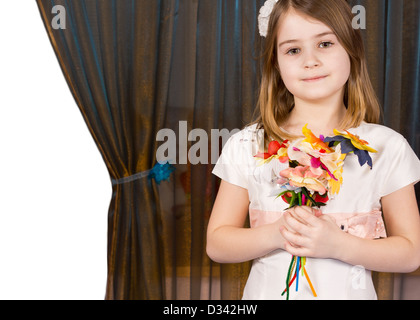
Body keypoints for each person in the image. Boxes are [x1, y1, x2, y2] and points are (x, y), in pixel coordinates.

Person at [207, 0, 420, 300]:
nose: (310, 61)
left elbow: (411, 252)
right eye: (293, 50)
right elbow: (217, 244)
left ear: (351, 48)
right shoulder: (247, 145)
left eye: (325, 43)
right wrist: (280, 232)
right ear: (276, 63)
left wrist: (338, 245)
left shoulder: (387, 147)